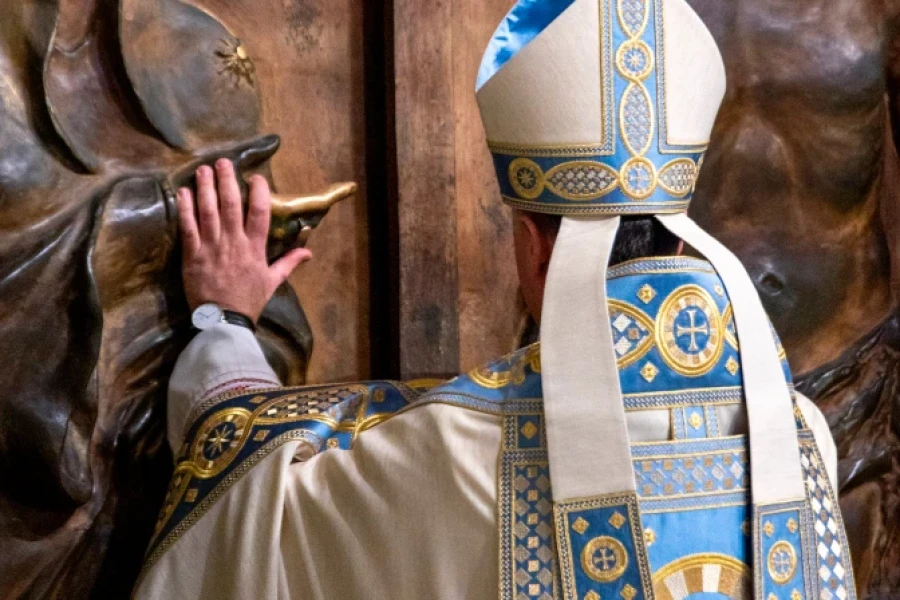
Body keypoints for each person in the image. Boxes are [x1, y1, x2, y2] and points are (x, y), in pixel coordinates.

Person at [134, 0, 857, 598]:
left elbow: (244, 500)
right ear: (676, 238)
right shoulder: (796, 437)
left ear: (538, 250)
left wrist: (225, 319)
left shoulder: (465, 451)